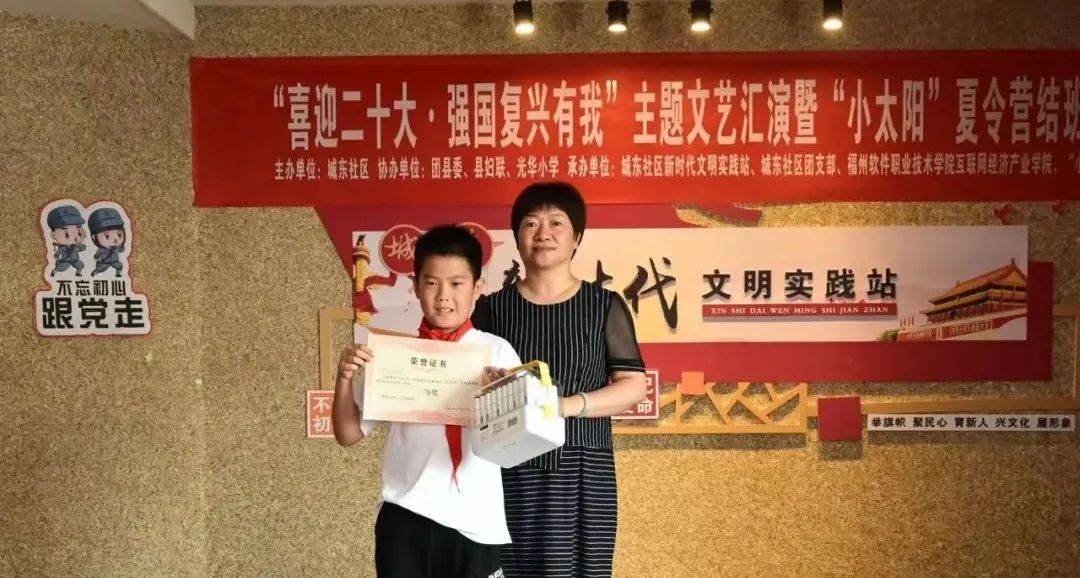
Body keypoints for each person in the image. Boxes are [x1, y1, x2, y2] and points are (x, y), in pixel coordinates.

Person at [471, 182, 648, 578]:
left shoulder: (603, 306)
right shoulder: (491, 309)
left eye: (556, 223)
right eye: (531, 223)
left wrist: (565, 406)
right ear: (517, 237)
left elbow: (633, 384)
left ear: (577, 238)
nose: (543, 233)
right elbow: (471, 385)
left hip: (584, 469)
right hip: (510, 469)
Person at [333, 224, 521, 578]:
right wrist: (343, 378)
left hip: (475, 522)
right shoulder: (394, 356)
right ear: (415, 286)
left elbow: (514, 446)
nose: (443, 296)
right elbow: (348, 433)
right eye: (432, 283)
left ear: (478, 287)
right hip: (406, 518)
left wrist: (500, 398)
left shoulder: (497, 352)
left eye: (457, 283)